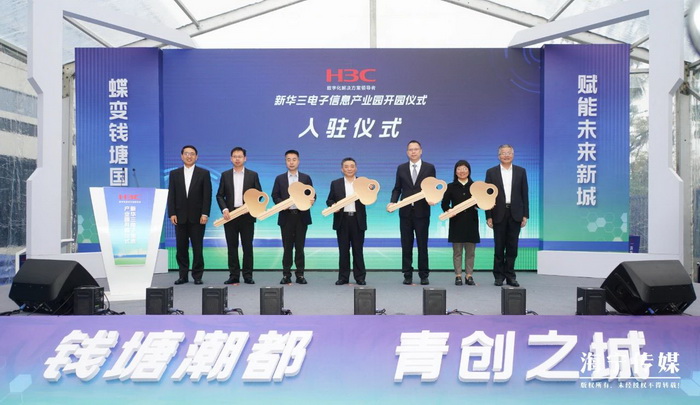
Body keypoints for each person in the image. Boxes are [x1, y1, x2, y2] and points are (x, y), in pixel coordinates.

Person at [388, 140, 436, 285]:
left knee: (422, 245)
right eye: (410, 149)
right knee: (406, 244)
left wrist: (432, 198)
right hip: (405, 212)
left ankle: (424, 274)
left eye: (416, 149)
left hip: (422, 212)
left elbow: (432, 187)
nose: (413, 152)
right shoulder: (401, 168)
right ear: (407, 152)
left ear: (421, 151)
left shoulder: (429, 168)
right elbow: (397, 188)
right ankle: (407, 274)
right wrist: (393, 202)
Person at [216, 147, 262, 285]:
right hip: (230, 216)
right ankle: (234, 275)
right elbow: (219, 195)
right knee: (232, 247)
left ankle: (248, 276)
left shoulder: (252, 175)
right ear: (231, 158)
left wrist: (251, 206)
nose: (237, 159)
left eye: (240, 156)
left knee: (247, 247)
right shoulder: (225, 175)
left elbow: (259, 195)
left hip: (247, 216)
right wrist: (224, 209)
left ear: (245, 158)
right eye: (235, 156)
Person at [485, 144, 529, 287]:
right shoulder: (491, 172)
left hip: (515, 213)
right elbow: (487, 195)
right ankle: (498, 276)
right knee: (499, 247)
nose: (506, 155)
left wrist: (525, 215)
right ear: (498, 156)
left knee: (512, 247)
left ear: (513, 155)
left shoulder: (521, 171)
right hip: (498, 213)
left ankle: (510, 276)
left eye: (509, 153)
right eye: (503, 153)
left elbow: (524, 194)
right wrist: (488, 216)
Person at [167, 145, 212, 285]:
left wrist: (205, 213)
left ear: (196, 157)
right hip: (179, 216)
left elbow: (207, 196)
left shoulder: (203, 173)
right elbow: (171, 195)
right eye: (186, 153)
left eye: (192, 154)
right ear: (181, 156)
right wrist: (172, 213)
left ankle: (197, 276)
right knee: (181, 248)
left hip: (198, 217)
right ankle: (183, 275)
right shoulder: (174, 174)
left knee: (197, 248)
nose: (189, 156)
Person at [271, 149, 315, 284]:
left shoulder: (305, 178)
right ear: (285, 162)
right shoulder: (280, 178)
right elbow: (275, 195)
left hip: (301, 217)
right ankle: (286, 275)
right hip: (286, 217)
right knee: (287, 247)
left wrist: (312, 200)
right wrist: (281, 204)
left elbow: (312, 194)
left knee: (300, 247)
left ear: (298, 161)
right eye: (288, 160)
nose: (291, 162)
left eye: (294, 159)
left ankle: (300, 275)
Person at [326, 157, 367, 286]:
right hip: (342, 220)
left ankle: (360, 277)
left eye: (352, 166)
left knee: (358, 250)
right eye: (346, 166)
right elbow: (329, 200)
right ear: (342, 169)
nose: (349, 169)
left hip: (357, 220)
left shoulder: (363, 183)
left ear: (356, 168)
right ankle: (343, 277)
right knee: (343, 250)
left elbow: (369, 198)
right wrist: (333, 205)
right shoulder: (335, 183)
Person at [441, 160, 480, 286]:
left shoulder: (475, 186)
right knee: (457, 252)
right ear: (455, 171)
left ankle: (469, 275)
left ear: (469, 170)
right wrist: (448, 210)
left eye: (464, 168)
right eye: (459, 169)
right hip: (456, 222)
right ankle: (458, 275)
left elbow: (481, 203)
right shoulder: (450, 186)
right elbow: (444, 204)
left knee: (470, 252)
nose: (462, 171)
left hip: (471, 222)